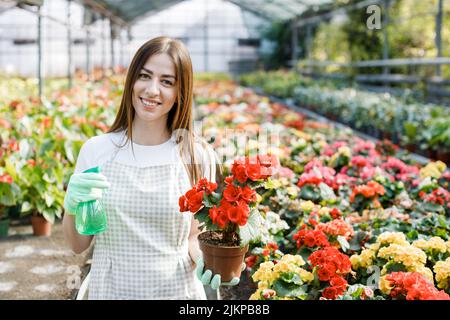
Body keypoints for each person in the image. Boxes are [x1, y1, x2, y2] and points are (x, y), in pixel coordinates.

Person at [62, 36, 239, 300]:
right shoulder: (97, 150)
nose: (152, 90)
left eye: (167, 81)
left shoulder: (196, 155)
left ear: (181, 92)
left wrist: (211, 261)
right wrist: (72, 206)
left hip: (177, 292)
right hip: (111, 290)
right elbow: (79, 245)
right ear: (131, 81)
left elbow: (194, 237)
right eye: (145, 76)